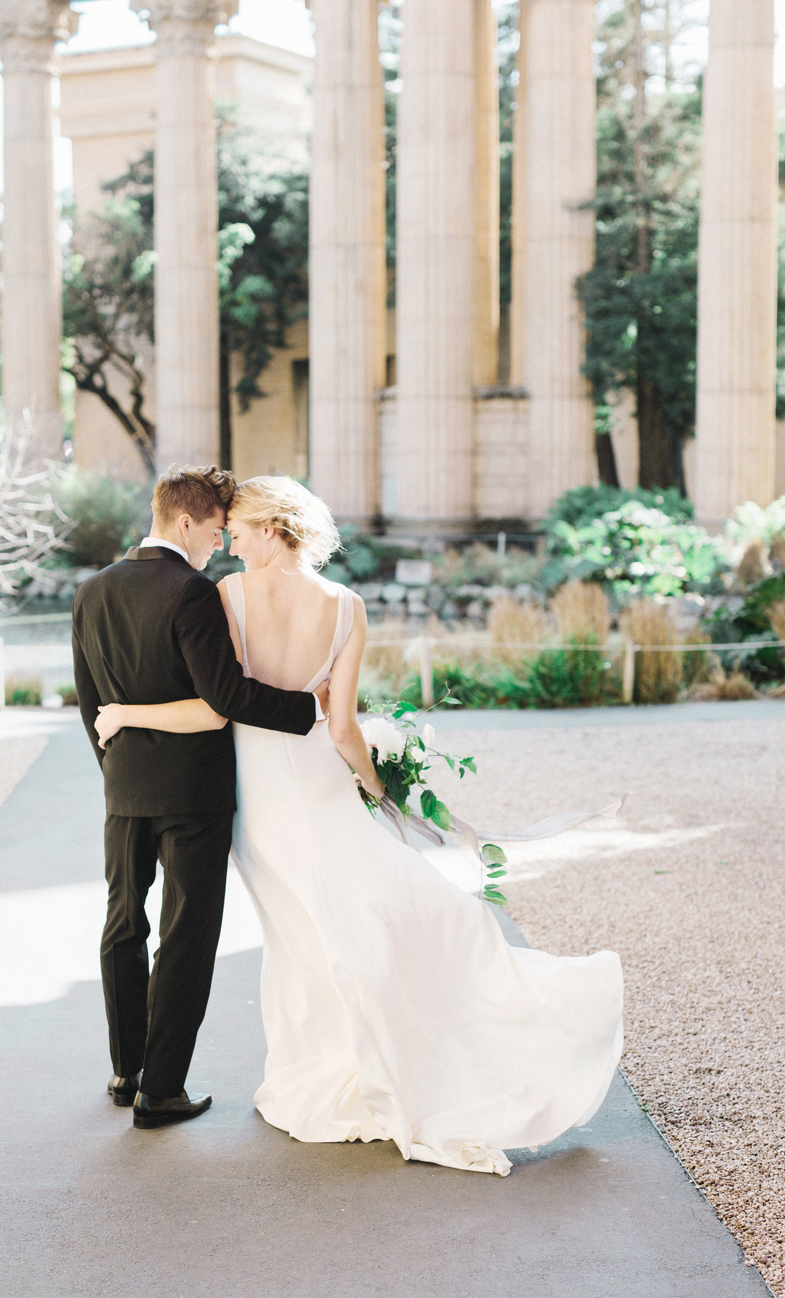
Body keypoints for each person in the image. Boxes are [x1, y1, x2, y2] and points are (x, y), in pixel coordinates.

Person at [93, 476, 623, 1174]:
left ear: (274, 528)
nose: (230, 542)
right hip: (316, 779)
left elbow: (220, 699)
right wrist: (379, 795)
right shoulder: (347, 607)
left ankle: (320, 1073)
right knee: (347, 912)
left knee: (299, 933)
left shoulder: (228, 597)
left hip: (256, 793)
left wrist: (128, 718)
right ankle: (365, 1057)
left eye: (242, 529)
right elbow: (342, 727)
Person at [69, 465, 323, 1130]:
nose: (219, 545)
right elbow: (226, 698)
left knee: (123, 923)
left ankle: (126, 1072)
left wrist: (116, 766)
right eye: (215, 532)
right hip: (195, 793)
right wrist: (309, 709)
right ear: (186, 522)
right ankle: (163, 1090)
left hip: (123, 786)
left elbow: (91, 702)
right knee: (186, 936)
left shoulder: (90, 591)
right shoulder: (193, 592)